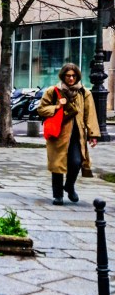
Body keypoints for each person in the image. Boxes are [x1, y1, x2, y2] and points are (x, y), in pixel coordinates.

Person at [38, 63, 100, 205]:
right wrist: (57, 107)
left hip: (77, 135)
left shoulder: (84, 93)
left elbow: (90, 114)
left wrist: (93, 135)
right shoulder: (53, 91)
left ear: (77, 76)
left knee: (76, 162)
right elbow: (41, 109)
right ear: (63, 76)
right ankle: (58, 195)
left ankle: (69, 185)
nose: (71, 78)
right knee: (57, 165)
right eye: (68, 76)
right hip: (58, 134)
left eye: (73, 76)